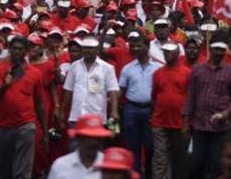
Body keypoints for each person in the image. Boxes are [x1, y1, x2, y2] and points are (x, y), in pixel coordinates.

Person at [183, 36, 231, 178]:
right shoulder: (197, 70)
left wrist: (227, 113)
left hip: (221, 128)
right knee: (196, 163)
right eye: (216, 49)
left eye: (222, 50)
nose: (219, 53)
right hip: (199, 125)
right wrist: (185, 123)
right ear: (210, 49)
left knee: (217, 165)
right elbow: (190, 96)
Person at [0, 35, 49, 179]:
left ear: (26, 51)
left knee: (22, 172)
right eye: (14, 49)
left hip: (25, 125)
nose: (17, 52)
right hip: (2, 126)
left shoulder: (35, 73)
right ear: (9, 50)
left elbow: (39, 103)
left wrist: (45, 132)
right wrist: (5, 85)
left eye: (20, 49)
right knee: (4, 171)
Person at [118, 31, 161, 175]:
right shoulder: (127, 68)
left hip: (150, 110)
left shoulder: (157, 68)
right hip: (132, 109)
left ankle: (148, 173)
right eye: (133, 46)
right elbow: (121, 91)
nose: (135, 49)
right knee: (132, 145)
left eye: (139, 46)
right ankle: (135, 174)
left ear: (147, 47)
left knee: (150, 145)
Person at [150, 42, 191, 179]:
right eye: (165, 51)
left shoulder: (187, 73)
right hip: (160, 122)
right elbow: (154, 97)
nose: (166, 54)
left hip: (180, 123)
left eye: (170, 52)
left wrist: (186, 123)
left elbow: (191, 99)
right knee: (160, 157)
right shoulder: (157, 73)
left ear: (177, 54)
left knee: (179, 158)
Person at [61, 37, 120, 126]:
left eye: (91, 48)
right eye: (85, 48)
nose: (87, 50)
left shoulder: (107, 68)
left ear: (97, 50)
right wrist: (62, 110)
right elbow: (68, 90)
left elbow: (112, 90)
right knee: (75, 140)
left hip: (97, 116)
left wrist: (114, 111)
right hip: (76, 116)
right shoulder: (74, 66)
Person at [48, 114, 112, 179]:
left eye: (97, 138)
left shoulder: (110, 166)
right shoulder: (61, 166)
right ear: (78, 138)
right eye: (88, 138)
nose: (93, 142)